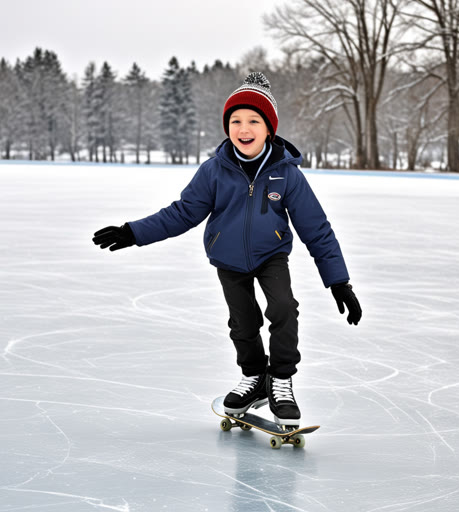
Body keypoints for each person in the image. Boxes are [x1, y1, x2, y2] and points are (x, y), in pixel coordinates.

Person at [92, 72, 362, 427]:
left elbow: (317, 230)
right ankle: (254, 378)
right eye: (235, 120)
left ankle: (279, 379)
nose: (243, 128)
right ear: (227, 126)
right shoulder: (214, 171)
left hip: (271, 254)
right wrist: (133, 232)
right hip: (228, 258)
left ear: (269, 129)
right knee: (243, 322)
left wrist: (338, 281)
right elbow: (182, 213)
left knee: (283, 308)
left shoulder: (286, 175)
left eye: (253, 120)